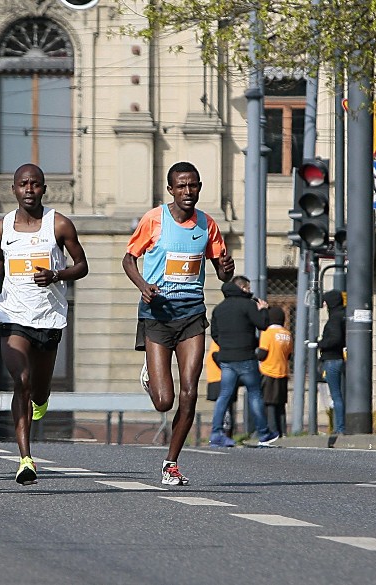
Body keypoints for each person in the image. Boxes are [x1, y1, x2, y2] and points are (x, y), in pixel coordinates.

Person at [123, 161, 234, 486]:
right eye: (181, 186)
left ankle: (171, 463)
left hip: (191, 317)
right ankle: (150, 372)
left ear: (199, 188)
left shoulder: (208, 225)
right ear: (171, 189)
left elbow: (223, 273)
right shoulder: (154, 220)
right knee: (164, 401)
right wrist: (144, 286)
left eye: (193, 186)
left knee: (189, 392)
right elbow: (129, 258)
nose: (188, 192)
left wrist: (227, 267)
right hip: (157, 315)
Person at [0, 163, 88, 485]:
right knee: (21, 380)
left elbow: (82, 266)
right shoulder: (1, 228)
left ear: (44, 189)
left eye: (35, 184)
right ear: (14, 189)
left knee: (39, 389)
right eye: (23, 184)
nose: (29, 190)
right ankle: (25, 458)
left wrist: (56, 275)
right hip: (13, 314)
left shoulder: (59, 225)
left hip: (49, 315)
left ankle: (41, 400)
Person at [209, 275, 275, 448]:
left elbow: (214, 334)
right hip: (246, 358)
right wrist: (264, 309)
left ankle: (216, 434)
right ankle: (264, 434)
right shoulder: (248, 305)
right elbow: (263, 325)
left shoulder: (219, 309)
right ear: (243, 288)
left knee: (224, 396)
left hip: (226, 359)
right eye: (248, 287)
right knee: (254, 394)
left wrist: (226, 345)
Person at [258, 306, 293, 437]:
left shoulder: (267, 333)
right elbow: (289, 355)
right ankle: (283, 430)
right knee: (280, 403)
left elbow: (262, 353)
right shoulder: (287, 334)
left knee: (269, 403)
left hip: (268, 371)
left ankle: (273, 431)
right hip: (283, 371)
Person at [319, 289, 347, 435]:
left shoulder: (334, 319)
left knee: (336, 395)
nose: (324, 305)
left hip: (332, 359)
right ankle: (340, 426)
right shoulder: (342, 316)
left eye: (326, 302)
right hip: (339, 359)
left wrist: (321, 343)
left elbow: (334, 339)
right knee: (340, 394)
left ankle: (340, 428)